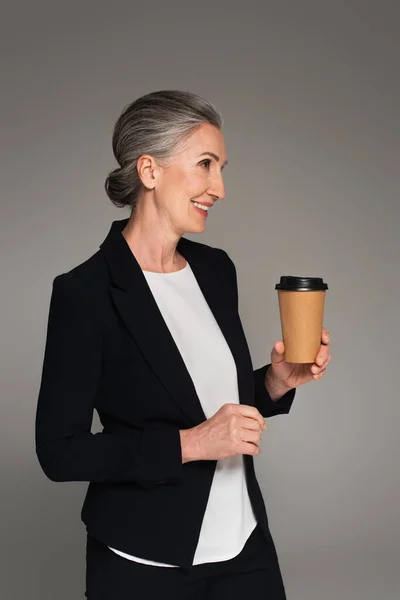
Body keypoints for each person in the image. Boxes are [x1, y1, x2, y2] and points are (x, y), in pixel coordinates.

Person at [35, 90, 331, 599]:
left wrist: (276, 384)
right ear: (150, 171)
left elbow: (219, 405)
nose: (219, 186)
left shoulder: (216, 270)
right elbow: (59, 453)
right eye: (205, 164)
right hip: (144, 559)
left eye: (221, 167)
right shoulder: (85, 292)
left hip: (244, 546)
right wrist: (188, 444)